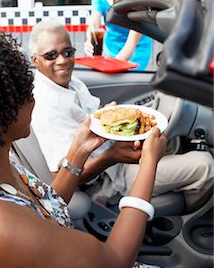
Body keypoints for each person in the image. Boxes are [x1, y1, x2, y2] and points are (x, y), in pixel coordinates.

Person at [0, 28, 213, 268]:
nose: (32, 96)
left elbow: (41, 211)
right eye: (21, 91)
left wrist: (88, 152)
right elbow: (112, 265)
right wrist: (150, 163)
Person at [30, 19, 214, 207]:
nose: (62, 60)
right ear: (35, 60)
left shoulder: (72, 82)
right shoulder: (45, 108)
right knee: (206, 165)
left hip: (115, 152)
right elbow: (61, 177)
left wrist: (108, 115)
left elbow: (93, 120)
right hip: (108, 178)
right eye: (51, 55)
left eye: (67, 52)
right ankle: (185, 221)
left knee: (173, 142)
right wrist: (111, 156)